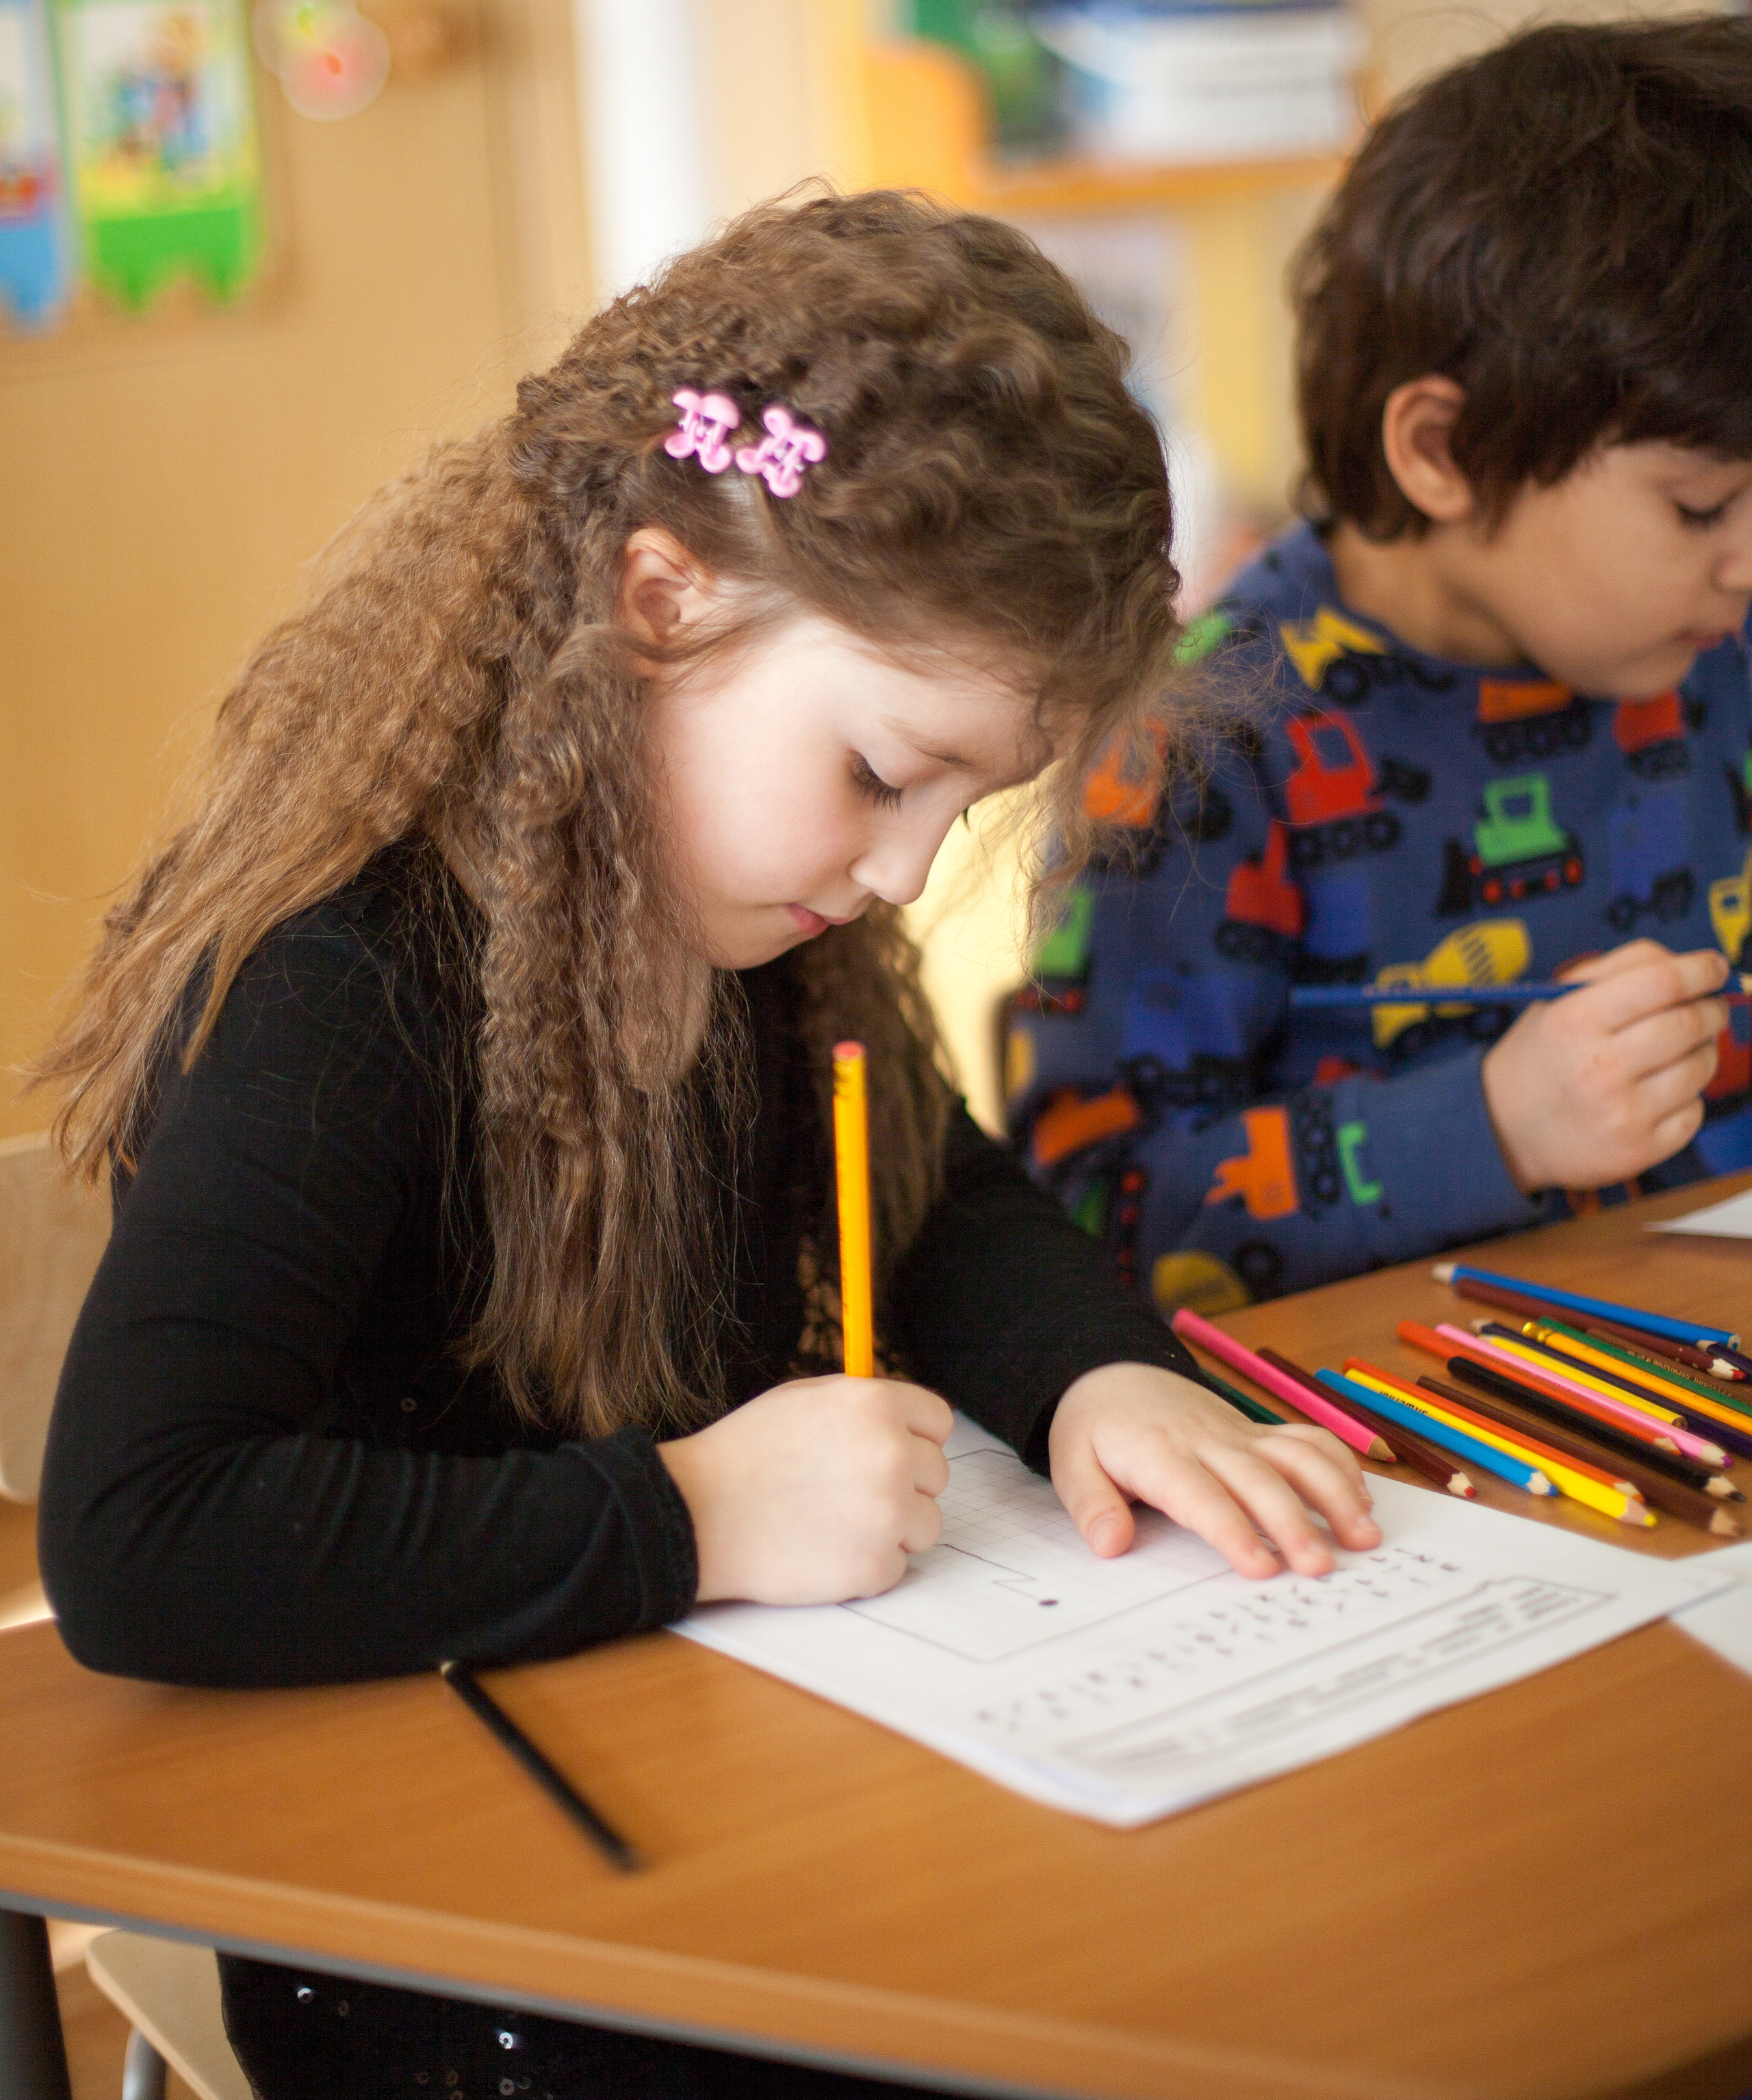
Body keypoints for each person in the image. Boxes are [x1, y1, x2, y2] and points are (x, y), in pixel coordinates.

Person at [32, 191, 1377, 2100]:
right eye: (883, 773)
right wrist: (696, 1519)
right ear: (660, 605)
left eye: (965, 804)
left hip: (736, 1782)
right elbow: (141, 1537)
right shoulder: (347, 985)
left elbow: (942, 1194)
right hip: (459, 1922)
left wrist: (1096, 1375)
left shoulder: (759, 927)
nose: (908, 868)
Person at [1008, 17, 1752, 1321]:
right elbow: (1096, 1216)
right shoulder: (1206, 745)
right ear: (1442, 452)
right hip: (1423, 1455)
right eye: (1702, 507)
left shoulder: (1712, 636)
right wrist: (1492, 1127)